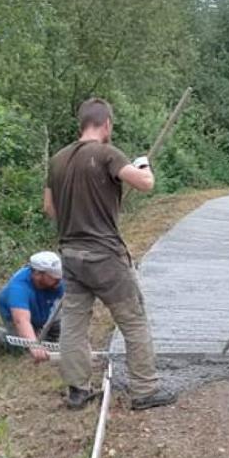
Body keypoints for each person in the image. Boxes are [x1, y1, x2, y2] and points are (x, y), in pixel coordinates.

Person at [44, 97, 176, 411]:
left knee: (74, 323)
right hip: (105, 257)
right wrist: (143, 164)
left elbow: (49, 209)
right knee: (133, 320)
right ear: (106, 124)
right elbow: (144, 183)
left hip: (71, 255)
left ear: (82, 124)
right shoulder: (107, 154)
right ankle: (144, 389)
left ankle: (78, 390)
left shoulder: (58, 160)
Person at [0, 251, 65, 362]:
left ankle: (44, 335)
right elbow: (21, 320)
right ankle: (1, 337)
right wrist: (34, 346)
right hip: (18, 315)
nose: (59, 280)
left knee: (61, 329)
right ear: (38, 274)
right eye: (54, 277)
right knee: (21, 348)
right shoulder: (18, 288)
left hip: (45, 308)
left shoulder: (57, 281)